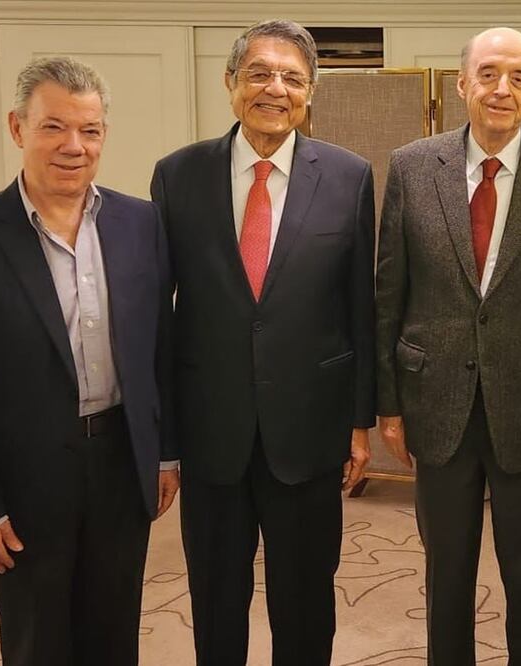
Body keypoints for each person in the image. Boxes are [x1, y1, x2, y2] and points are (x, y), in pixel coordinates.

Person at [0, 56, 178, 666]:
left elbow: (158, 349)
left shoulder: (141, 223)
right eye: (53, 127)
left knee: (114, 636)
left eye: (89, 129)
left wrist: (165, 453)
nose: (73, 146)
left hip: (118, 465)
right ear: (17, 128)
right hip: (21, 478)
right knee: (37, 642)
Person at [375, 26, 521, 664]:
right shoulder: (412, 166)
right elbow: (389, 293)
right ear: (462, 84)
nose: (501, 88)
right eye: (488, 74)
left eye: (518, 77)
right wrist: (389, 403)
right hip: (437, 403)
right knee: (444, 574)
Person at [150, 19, 376, 666]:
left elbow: (359, 306)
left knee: (306, 604)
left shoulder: (348, 176)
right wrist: (167, 444)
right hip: (210, 431)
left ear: (310, 93)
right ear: (230, 84)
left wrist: (359, 421)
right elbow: (161, 318)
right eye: (259, 74)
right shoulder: (177, 176)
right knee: (216, 600)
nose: (274, 89)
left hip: (309, 429)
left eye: (292, 78)